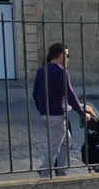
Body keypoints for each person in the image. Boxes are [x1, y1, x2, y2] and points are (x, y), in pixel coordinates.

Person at [32, 43, 84, 177]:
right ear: (61, 56)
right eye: (67, 56)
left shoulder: (41, 70)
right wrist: (82, 112)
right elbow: (70, 94)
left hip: (46, 114)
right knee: (54, 146)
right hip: (57, 116)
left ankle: (61, 170)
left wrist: (42, 109)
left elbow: (35, 93)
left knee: (67, 140)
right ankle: (44, 173)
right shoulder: (62, 72)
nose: (68, 59)